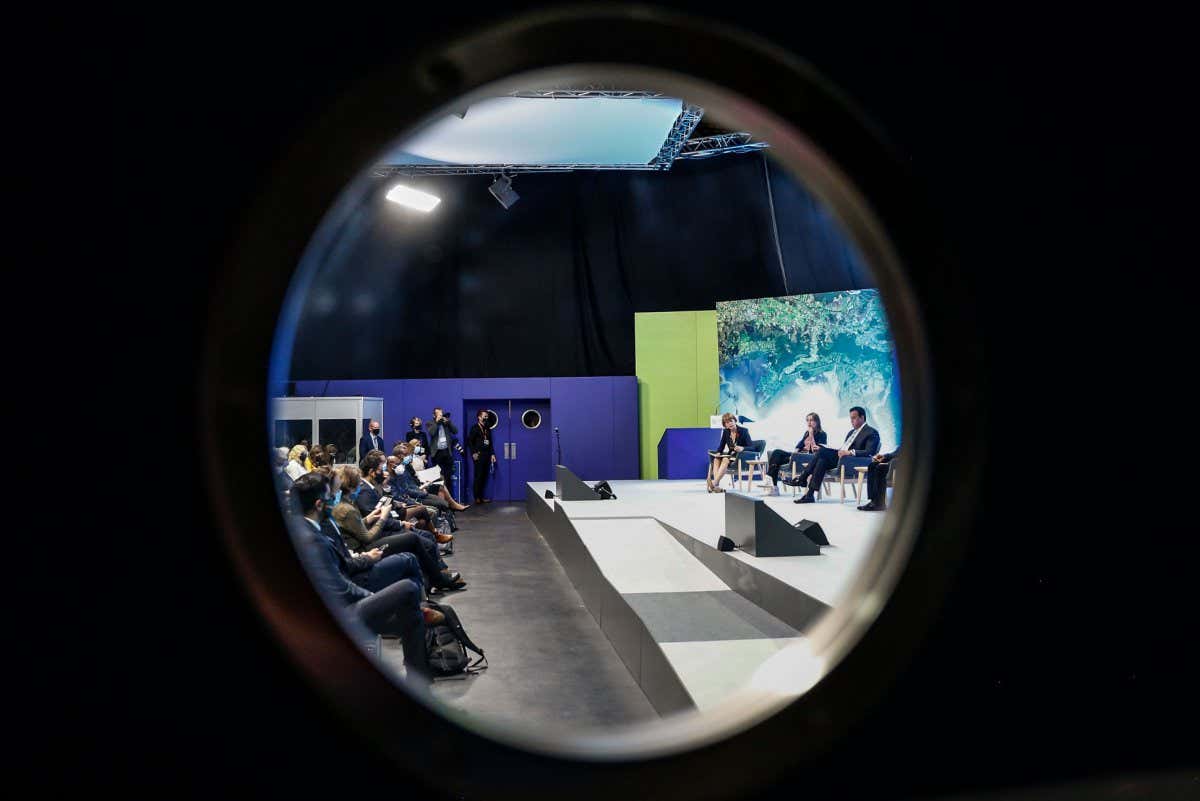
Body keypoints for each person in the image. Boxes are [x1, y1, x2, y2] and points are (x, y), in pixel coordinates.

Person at [289, 472, 437, 679]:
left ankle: (420, 682)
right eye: (331, 497)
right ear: (319, 504)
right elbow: (342, 589)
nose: (335, 499)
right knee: (407, 588)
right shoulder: (313, 540)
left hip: (340, 600)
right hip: (340, 613)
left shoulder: (304, 529)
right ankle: (422, 609)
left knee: (411, 618)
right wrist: (377, 598)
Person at [332, 466, 465, 590]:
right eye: (358, 483)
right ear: (352, 486)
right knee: (411, 538)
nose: (360, 485)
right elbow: (367, 538)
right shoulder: (347, 509)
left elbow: (354, 525)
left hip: (362, 541)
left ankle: (436, 576)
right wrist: (383, 518)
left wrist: (369, 518)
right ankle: (438, 578)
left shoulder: (346, 503)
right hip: (363, 547)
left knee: (415, 536)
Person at [786, 406, 880, 504]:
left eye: (854, 418)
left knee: (822, 451)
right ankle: (810, 495)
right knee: (822, 461)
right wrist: (839, 450)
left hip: (851, 461)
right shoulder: (851, 432)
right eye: (851, 418)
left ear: (862, 417)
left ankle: (802, 478)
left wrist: (850, 452)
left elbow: (870, 451)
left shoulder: (871, 432)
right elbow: (845, 447)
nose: (851, 421)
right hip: (841, 458)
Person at [393, 442, 468, 513]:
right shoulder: (399, 470)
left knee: (440, 488)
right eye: (407, 454)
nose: (409, 456)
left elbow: (414, 480)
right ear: (401, 456)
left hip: (419, 487)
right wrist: (421, 490)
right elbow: (406, 489)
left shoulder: (407, 465)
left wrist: (422, 486)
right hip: (415, 494)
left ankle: (447, 513)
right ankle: (449, 508)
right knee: (442, 501)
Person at [765, 413, 827, 495]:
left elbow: (816, 451)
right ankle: (773, 485)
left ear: (817, 422)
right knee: (777, 453)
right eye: (807, 420)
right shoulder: (806, 433)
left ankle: (772, 484)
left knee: (777, 459)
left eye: (811, 420)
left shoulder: (822, 434)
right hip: (798, 456)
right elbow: (799, 445)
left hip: (808, 458)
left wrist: (811, 434)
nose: (809, 422)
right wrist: (794, 455)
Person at [707, 412, 751, 493]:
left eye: (731, 421)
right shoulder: (726, 432)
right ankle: (716, 486)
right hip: (731, 455)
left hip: (740, 457)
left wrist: (742, 448)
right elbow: (721, 446)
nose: (729, 423)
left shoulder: (744, 431)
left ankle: (714, 483)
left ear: (735, 421)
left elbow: (752, 447)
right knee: (716, 459)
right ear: (725, 425)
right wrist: (718, 452)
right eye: (727, 422)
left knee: (725, 459)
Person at [425, 408, 458, 498]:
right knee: (438, 477)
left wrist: (449, 422)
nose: (441, 416)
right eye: (439, 414)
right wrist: (437, 422)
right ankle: (439, 499)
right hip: (437, 453)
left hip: (447, 452)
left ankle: (450, 499)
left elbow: (455, 431)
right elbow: (432, 433)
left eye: (441, 414)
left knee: (448, 476)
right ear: (434, 415)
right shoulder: (430, 423)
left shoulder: (446, 423)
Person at [467, 409, 496, 503]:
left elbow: (490, 442)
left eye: (487, 416)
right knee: (478, 477)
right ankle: (477, 498)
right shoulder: (474, 428)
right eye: (484, 416)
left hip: (487, 455)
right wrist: (473, 453)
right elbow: (470, 442)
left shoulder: (487, 428)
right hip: (478, 455)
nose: (486, 417)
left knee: (484, 476)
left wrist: (492, 454)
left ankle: (482, 497)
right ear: (479, 417)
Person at [859, 447, 899, 511]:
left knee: (880, 468)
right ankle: (874, 501)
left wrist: (885, 457)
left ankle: (879, 504)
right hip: (895, 461)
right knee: (872, 465)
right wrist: (883, 457)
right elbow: (896, 452)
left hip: (902, 465)